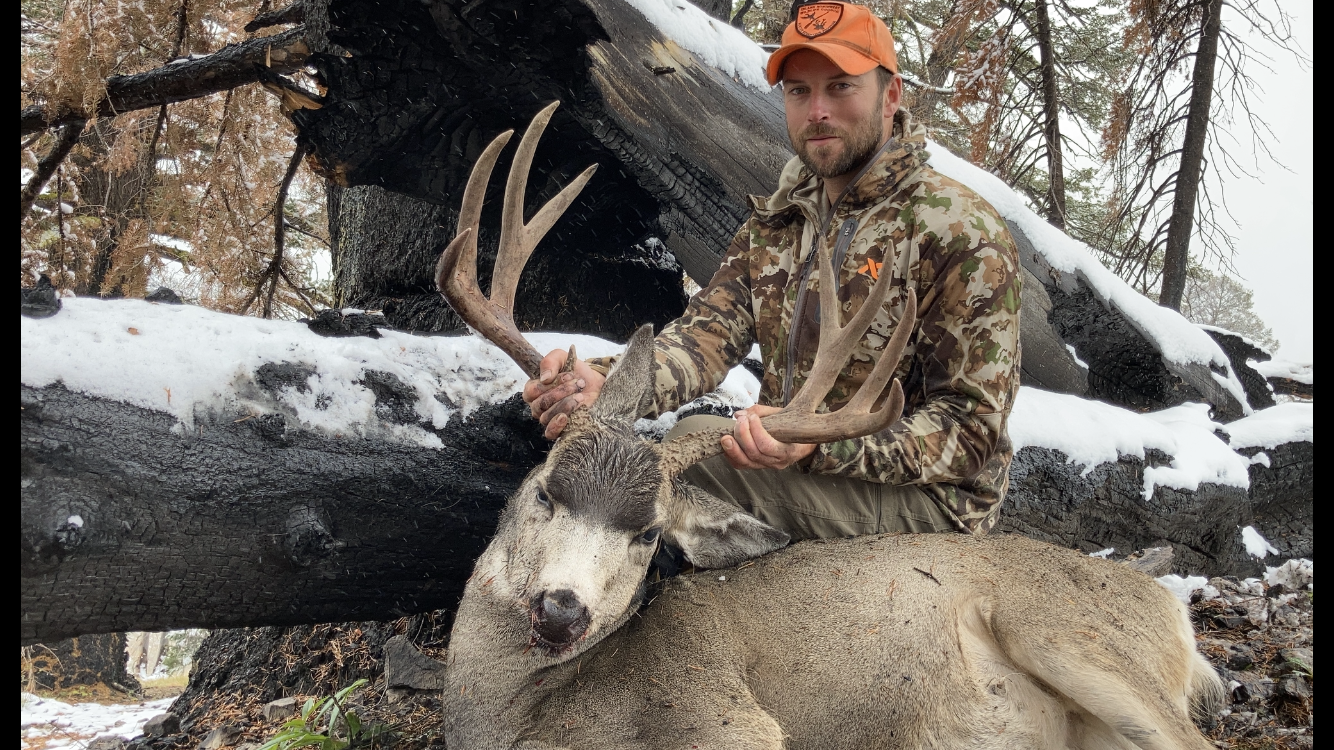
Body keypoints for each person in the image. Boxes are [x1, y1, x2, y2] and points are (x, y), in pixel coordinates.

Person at [523, 0, 1021, 539]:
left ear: (891, 95)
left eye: (841, 86)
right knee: (685, 438)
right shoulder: (781, 220)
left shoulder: (960, 230)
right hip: (804, 464)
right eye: (799, 91)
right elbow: (702, 340)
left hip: (933, 503)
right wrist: (606, 381)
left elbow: (973, 431)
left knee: (686, 487)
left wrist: (821, 446)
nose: (817, 111)